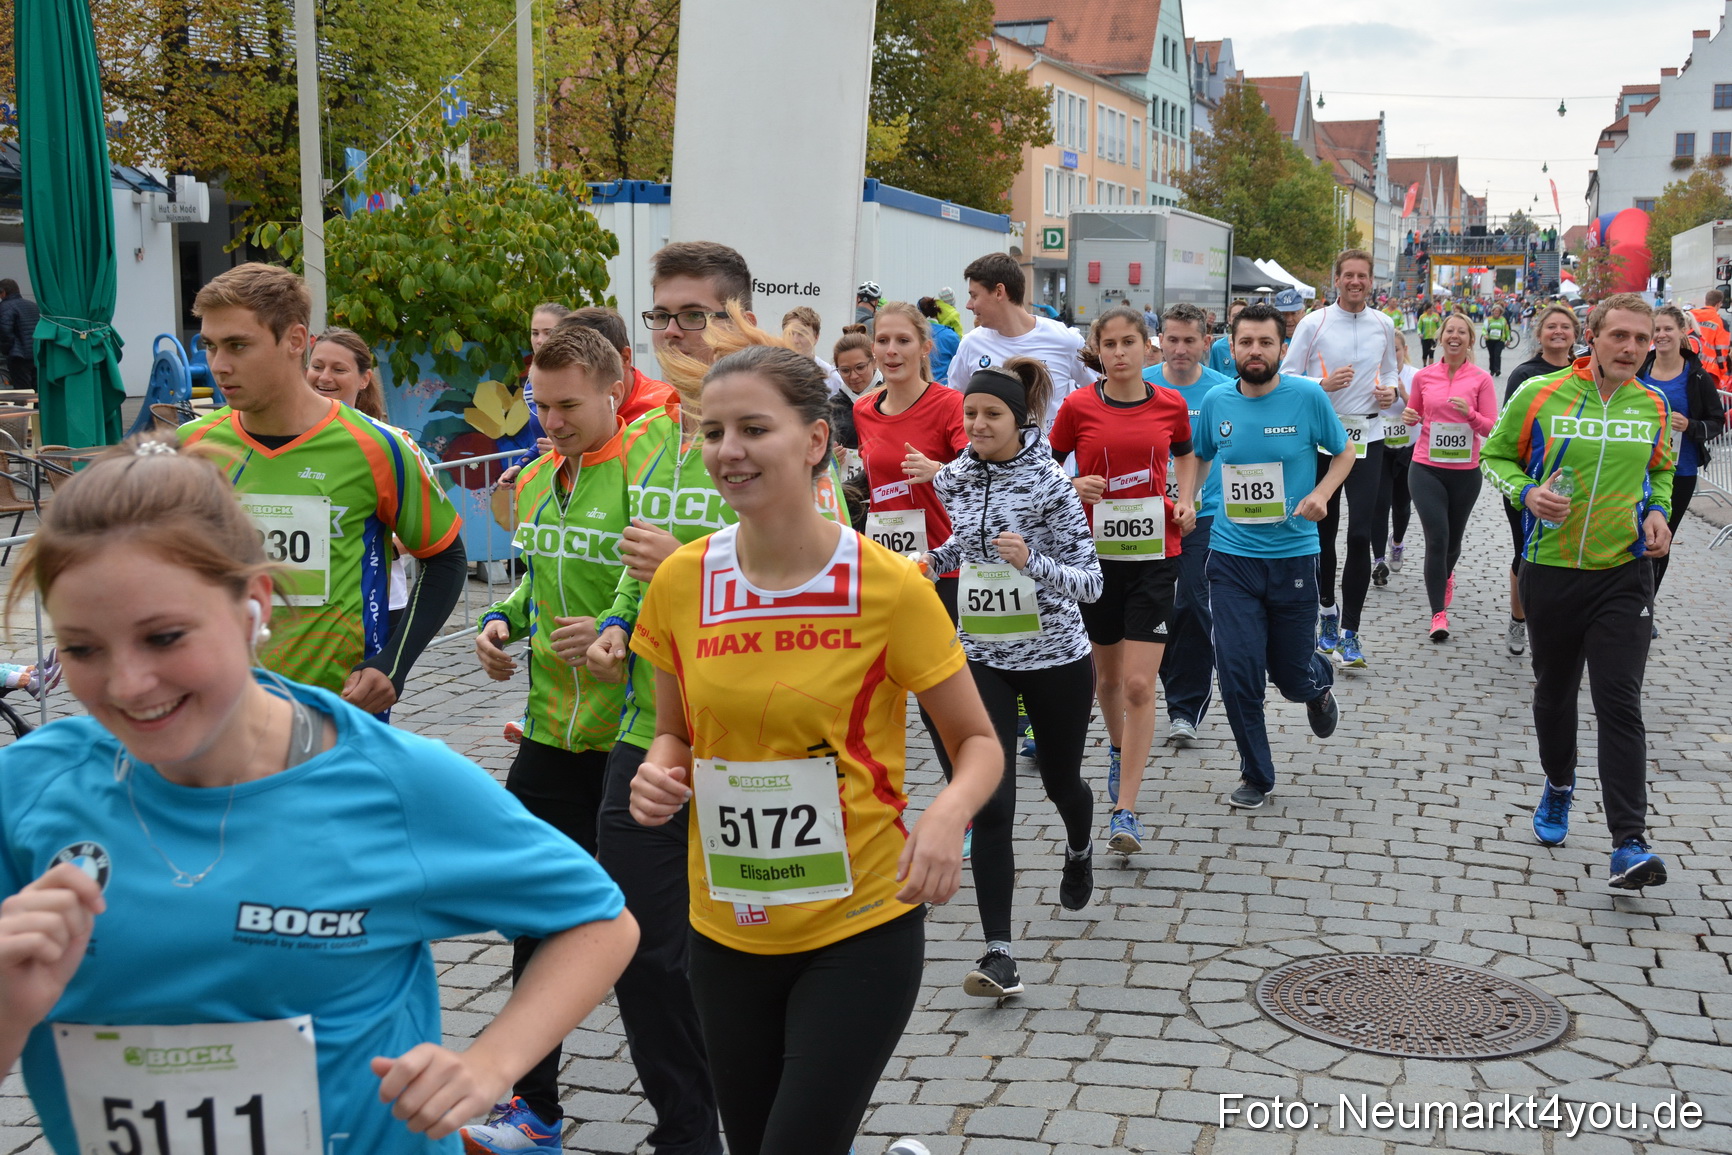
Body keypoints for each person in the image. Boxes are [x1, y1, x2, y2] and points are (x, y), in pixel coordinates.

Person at [0, 433, 638, 1155]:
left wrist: (489, 1063)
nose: (126, 683)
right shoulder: (29, 787)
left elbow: (599, 920)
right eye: (83, 648)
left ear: (253, 603)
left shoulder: (391, 781)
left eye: (166, 636)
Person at [627, 344, 1000, 1155]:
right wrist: (659, 771)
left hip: (859, 921)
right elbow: (673, 733)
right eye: (714, 430)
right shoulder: (681, 582)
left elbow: (977, 741)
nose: (729, 449)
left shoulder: (888, 586)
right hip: (724, 926)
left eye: (754, 428)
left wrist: (947, 816)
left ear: (814, 441)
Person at [582, 240, 779, 1155]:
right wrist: (622, 623)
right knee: (642, 947)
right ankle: (687, 1129)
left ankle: (779, 1120)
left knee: (752, 954)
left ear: (738, 317)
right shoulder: (650, 434)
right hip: (648, 732)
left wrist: (692, 573)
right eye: (661, 315)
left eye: (693, 315)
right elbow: (635, 568)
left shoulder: (788, 420)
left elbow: (834, 577)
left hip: (762, 739)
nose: (672, 332)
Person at [463, 325, 637, 1152]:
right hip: (547, 734)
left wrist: (619, 636)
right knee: (531, 915)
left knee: (655, 940)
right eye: (541, 405)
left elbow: (659, 585)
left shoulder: (649, 474)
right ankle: (532, 1108)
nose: (552, 421)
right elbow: (536, 573)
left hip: (634, 737)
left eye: (569, 406)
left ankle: (699, 1107)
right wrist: (500, 619)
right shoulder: (534, 477)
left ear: (616, 390)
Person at [179, 263, 465, 714]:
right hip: (216, 708)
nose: (219, 365)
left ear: (295, 341)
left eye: (238, 345)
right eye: (210, 346)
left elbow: (445, 558)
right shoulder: (188, 447)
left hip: (337, 712)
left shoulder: (380, 447)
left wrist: (393, 664)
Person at [915, 357, 1102, 995]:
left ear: (1021, 421)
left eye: (990, 414)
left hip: (1055, 659)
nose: (976, 424)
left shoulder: (1051, 483)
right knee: (992, 804)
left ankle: (1080, 846)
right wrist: (927, 563)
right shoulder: (957, 479)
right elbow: (962, 549)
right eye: (969, 414)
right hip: (982, 658)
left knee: (1061, 783)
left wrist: (1034, 562)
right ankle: (1000, 953)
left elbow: (1092, 581)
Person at [1481, 293, 1676, 889]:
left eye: (1643, 340)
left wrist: (1659, 512)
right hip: (1552, 567)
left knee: (1620, 701)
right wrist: (1526, 493)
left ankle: (1629, 842)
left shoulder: (1654, 405)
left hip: (1622, 573)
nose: (1633, 349)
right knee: (1555, 692)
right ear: (1593, 336)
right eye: (1620, 336)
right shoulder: (1540, 393)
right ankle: (1559, 784)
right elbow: (1494, 456)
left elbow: (1661, 470)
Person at [1186, 303, 1352, 811]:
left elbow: (1343, 452)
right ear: (1230, 347)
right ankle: (1256, 773)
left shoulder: (1306, 397)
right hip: (1231, 557)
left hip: (1294, 557)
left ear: (1282, 349)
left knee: (1290, 676)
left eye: (1265, 343)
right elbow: (1199, 452)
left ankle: (1317, 682)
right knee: (1237, 671)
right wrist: (1187, 497)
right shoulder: (1217, 400)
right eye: (1245, 343)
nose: (1254, 352)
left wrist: (1323, 493)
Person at [1051, 306, 1195, 858]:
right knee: (1107, 680)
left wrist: (1185, 500)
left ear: (1146, 347)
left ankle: (1124, 808)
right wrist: (1073, 487)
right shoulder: (1078, 406)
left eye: (1128, 342)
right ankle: (1116, 749)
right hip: (1094, 558)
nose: (1118, 353)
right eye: (1108, 344)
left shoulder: (1170, 404)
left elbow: (1185, 455)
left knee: (1138, 684)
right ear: (1097, 350)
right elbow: (1045, 465)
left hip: (1158, 554)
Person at [1280, 250, 1401, 671]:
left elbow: (1392, 374)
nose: (1355, 282)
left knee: (1361, 536)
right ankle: (1326, 614)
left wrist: (1390, 392)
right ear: (1336, 280)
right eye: (1348, 275)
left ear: (1371, 281)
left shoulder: (1384, 324)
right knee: (1323, 534)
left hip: (1369, 437)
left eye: (1362, 276)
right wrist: (1322, 383)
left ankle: (1350, 632)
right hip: (1321, 438)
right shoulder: (1315, 323)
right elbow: (1288, 375)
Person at [1151, 305, 1236, 749]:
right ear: (1160, 341)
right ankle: (1153, 683)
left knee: (1193, 605)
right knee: (1155, 609)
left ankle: (1184, 707)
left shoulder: (1224, 391)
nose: (1180, 348)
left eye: (1190, 340)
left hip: (1204, 514)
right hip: (1142, 518)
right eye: (1172, 339)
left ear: (1207, 343)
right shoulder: (1140, 384)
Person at [1400, 313, 1497, 641]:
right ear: (1440, 338)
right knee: (1437, 538)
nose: (1454, 336)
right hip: (1426, 468)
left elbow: (1491, 427)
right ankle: (1438, 613)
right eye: (1449, 332)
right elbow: (1412, 417)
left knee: (1453, 543)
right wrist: (1409, 415)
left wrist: (1469, 415)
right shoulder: (1424, 377)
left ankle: (1446, 574)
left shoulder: (1481, 380)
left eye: (1461, 332)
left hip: (1466, 473)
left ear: (1470, 340)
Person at [1499, 303, 1580, 656]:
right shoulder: (1525, 375)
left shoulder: (1586, 374)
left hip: (1572, 482)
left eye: (1565, 326)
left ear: (1576, 334)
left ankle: (1560, 623)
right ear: (1540, 333)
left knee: (1568, 555)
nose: (1558, 332)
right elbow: (1508, 432)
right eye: (1551, 326)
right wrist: (1523, 482)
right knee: (1527, 553)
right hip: (1528, 481)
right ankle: (1519, 619)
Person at [1637, 305, 1727, 611]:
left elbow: (1717, 421)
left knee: (1658, 538)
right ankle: (1625, 603)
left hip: (1679, 469)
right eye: (1657, 330)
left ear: (1681, 333)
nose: (1661, 335)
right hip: (1634, 465)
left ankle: (1644, 607)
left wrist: (1690, 425)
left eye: (1667, 329)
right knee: (1630, 535)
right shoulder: (1639, 369)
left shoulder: (1697, 376)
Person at [947, 252, 1095, 427]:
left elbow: (1100, 395)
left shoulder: (1065, 340)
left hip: (1053, 454)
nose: (968, 305)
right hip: (992, 455)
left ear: (999, 292)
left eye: (974, 295)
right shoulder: (971, 344)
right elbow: (956, 406)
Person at [1370, 337, 1416, 589]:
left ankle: (1396, 543)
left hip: (1408, 451)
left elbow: (1424, 410)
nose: (1390, 355)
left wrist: (1403, 393)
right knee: (1379, 504)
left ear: (1404, 351)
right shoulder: (1370, 375)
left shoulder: (1415, 375)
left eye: (1395, 350)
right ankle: (1378, 560)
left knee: (1401, 505)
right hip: (1380, 450)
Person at [828, 325, 875, 469]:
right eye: (845, 370)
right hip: (849, 487)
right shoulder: (831, 407)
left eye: (860, 367)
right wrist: (828, 458)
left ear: (874, 361)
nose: (853, 376)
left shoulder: (893, 396)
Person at [780, 305, 845, 394]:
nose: (795, 340)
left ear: (816, 338)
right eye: (790, 333)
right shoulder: (770, 372)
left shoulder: (831, 378)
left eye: (801, 334)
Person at [0, 279, 40, 392]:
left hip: (19, 356)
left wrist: (6, 350)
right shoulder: (33, 306)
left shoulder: (5, 306)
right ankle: (38, 410)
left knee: (22, 390)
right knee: (36, 390)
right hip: (35, 353)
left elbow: (5, 332)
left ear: (3, 292)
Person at [918, 296, 961, 384]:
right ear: (937, 311)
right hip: (943, 390)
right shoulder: (950, 335)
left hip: (917, 389)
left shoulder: (914, 334)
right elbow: (960, 365)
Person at [1208, 299, 1246, 376]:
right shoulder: (1218, 347)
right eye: (1235, 316)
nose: (1239, 319)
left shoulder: (1255, 347)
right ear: (1229, 320)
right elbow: (1212, 376)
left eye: (1243, 315)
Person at [1482, 303, 1513, 377]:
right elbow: (1484, 329)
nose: (1496, 313)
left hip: (1500, 340)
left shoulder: (1503, 320)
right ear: (1492, 311)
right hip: (1490, 340)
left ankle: (1497, 369)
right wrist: (1485, 334)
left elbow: (1507, 330)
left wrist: (1508, 339)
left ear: (1500, 312)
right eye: (1495, 311)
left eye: (1498, 311)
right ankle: (1492, 370)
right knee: (1491, 355)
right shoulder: (1488, 319)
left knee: (1497, 354)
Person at [1417, 301, 1443, 366]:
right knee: (1425, 353)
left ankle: (1430, 367)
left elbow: (1441, 326)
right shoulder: (1422, 317)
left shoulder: (1436, 316)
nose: (1431, 310)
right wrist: (1419, 333)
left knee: (1431, 353)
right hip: (1425, 337)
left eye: (1432, 308)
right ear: (1426, 309)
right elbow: (1419, 327)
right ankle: (1424, 365)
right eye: (1429, 308)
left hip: (1433, 338)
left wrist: (1437, 322)